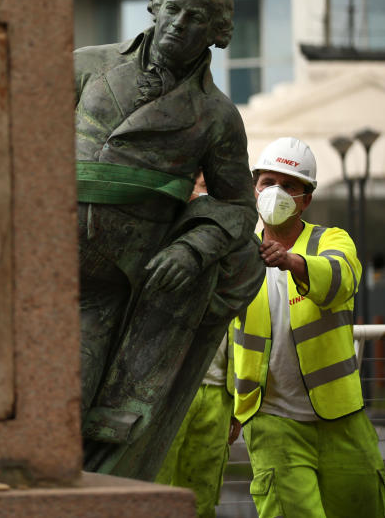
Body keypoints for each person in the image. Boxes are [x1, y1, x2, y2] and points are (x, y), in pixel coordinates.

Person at [74, 0, 265, 477]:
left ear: (217, 34)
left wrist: (192, 249)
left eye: (196, 17)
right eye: (174, 9)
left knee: (67, 403)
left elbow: (239, 206)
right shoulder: (86, 66)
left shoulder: (218, 115)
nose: (179, 23)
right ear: (156, 8)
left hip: (106, 283)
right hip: (37, 254)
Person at [231, 136, 385, 517]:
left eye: (289, 186)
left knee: (362, 508)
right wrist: (229, 411)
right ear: (254, 189)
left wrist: (292, 262)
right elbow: (221, 336)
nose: (276, 193)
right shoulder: (237, 256)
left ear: (307, 199)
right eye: (268, 183)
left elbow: (341, 279)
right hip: (271, 421)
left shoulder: (331, 241)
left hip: (339, 417)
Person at [154, 174, 238, 517]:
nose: (204, 192)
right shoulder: (161, 237)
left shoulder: (234, 246)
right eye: (199, 182)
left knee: (202, 500)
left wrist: (236, 399)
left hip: (218, 392)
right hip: (166, 392)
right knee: (157, 496)